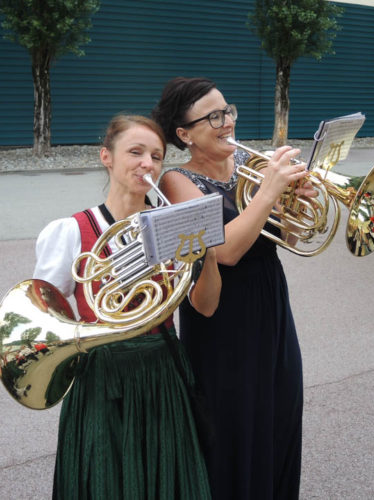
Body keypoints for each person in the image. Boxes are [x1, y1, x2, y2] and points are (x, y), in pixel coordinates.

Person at [33, 114, 221, 499]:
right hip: (103, 375)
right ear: (107, 157)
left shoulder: (171, 225)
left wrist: (209, 254)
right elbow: (44, 314)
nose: (147, 164)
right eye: (135, 152)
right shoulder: (71, 230)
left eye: (156, 155)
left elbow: (206, 306)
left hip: (163, 368)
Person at [152, 77, 317, 500]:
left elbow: (289, 239)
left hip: (270, 301)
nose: (227, 122)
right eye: (213, 117)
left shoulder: (250, 163)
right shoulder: (176, 181)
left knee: (281, 408)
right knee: (233, 423)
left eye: (228, 111)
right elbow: (223, 251)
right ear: (184, 134)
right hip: (221, 314)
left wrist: (296, 201)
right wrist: (271, 190)